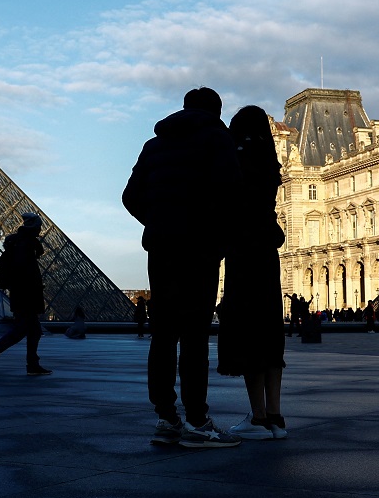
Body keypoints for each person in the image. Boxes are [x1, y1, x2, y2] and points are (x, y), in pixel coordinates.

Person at [123, 87, 241, 448]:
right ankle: (197, 420)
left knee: (162, 335)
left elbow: (129, 197)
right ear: (216, 112)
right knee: (194, 338)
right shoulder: (218, 138)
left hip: (161, 248)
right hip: (199, 250)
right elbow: (231, 193)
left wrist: (158, 222)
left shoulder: (153, 144)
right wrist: (215, 238)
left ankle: (166, 417)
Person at [216, 105, 288, 440]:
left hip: (243, 252)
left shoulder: (237, 160)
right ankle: (275, 416)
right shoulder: (270, 162)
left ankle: (257, 418)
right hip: (267, 253)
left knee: (248, 332)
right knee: (271, 333)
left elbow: (227, 205)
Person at [0, 212, 51, 375]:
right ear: (34, 227)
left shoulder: (21, 243)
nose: (40, 230)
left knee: (33, 330)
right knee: (23, 330)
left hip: (23, 294)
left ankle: (32, 364)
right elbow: (24, 273)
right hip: (25, 296)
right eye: (39, 226)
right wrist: (32, 289)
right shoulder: (24, 245)